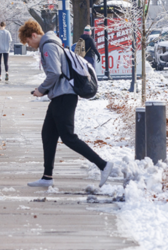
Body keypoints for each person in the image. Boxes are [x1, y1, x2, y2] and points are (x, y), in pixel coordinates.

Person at [19, 19, 114, 189]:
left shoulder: (47, 46)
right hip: (60, 95)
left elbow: (54, 73)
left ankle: (103, 165)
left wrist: (41, 89)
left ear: (33, 35)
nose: (29, 45)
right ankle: (47, 176)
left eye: (28, 41)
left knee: (68, 137)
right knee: (48, 134)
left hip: (64, 96)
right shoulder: (51, 43)